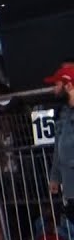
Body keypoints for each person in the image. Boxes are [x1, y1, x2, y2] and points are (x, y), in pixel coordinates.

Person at [46, 64, 74, 222]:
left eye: (57, 84)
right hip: (69, 185)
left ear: (68, 85)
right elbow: (58, 147)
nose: (53, 89)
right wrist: (55, 176)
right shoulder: (63, 113)